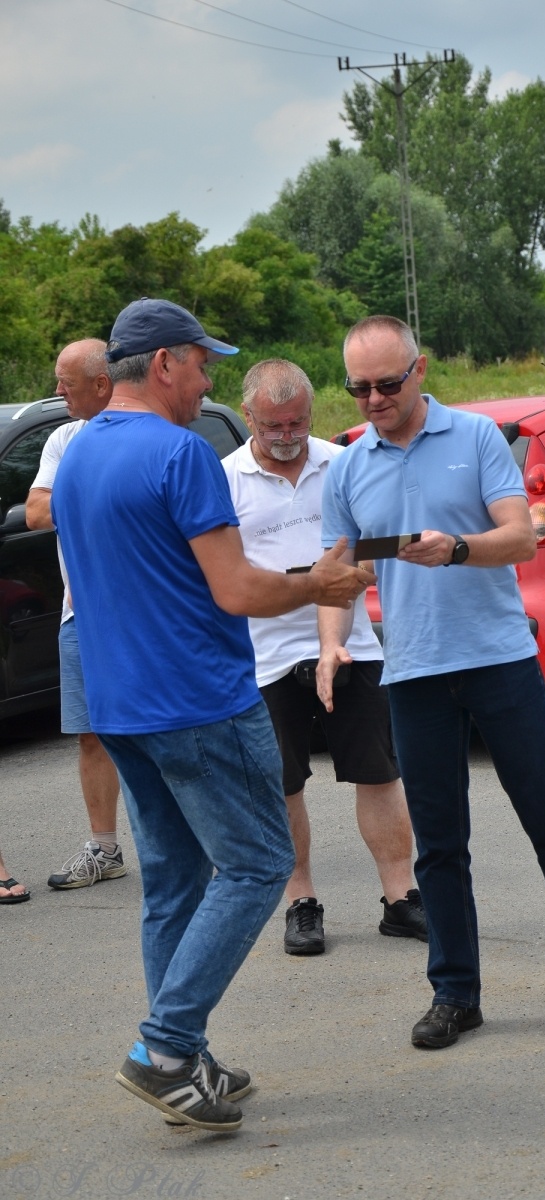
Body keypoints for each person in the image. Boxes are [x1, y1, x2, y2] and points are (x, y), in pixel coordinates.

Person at [51, 298, 374, 1131]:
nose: (208, 379)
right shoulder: (183, 453)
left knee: (174, 881)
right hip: (195, 699)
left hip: (120, 703)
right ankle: (164, 1046)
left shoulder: (81, 450)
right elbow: (237, 590)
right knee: (262, 865)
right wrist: (321, 585)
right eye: (202, 363)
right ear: (163, 363)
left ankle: (180, 1065)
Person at [318, 315, 545, 1050]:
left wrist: (455, 549)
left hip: (496, 662)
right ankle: (454, 993)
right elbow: (338, 574)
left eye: (386, 384)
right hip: (414, 670)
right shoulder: (349, 467)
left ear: (419, 371)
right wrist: (330, 645)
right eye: (358, 388)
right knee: (439, 846)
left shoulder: (476, 440)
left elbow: (521, 536)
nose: (372, 400)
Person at [222, 359, 426, 956]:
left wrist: (348, 572)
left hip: (351, 644)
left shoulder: (342, 463)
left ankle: (401, 897)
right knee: (282, 784)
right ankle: (301, 901)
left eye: (298, 422)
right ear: (247, 417)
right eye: (272, 425)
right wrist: (294, 583)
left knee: (380, 773)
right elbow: (219, 572)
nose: (287, 435)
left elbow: (380, 544)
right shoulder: (223, 478)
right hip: (263, 656)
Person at [26, 340, 125, 890]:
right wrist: (100, 492)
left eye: (66, 381)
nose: (58, 391)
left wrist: (77, 491)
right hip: (78, 615)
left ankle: (186, 844)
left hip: (140, 617)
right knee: (92, 736)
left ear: (102, 383)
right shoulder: (64, 437)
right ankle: (105, 849)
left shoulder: (146, 429)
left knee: (160, 731)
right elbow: (38, 512)